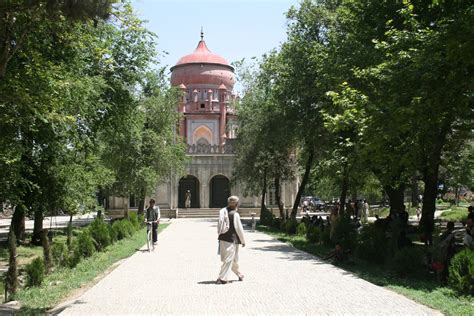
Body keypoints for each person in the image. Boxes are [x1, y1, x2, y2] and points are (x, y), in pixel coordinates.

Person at [217, 196, 245, 284]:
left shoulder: (223, 212)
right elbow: (239, 228)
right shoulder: (235, 214)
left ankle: (239, 274)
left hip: (222, 238)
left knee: (232, 259)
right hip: (231, 240)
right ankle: (222, 279)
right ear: (236, 204)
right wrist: (243, 240)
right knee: (228, 259)